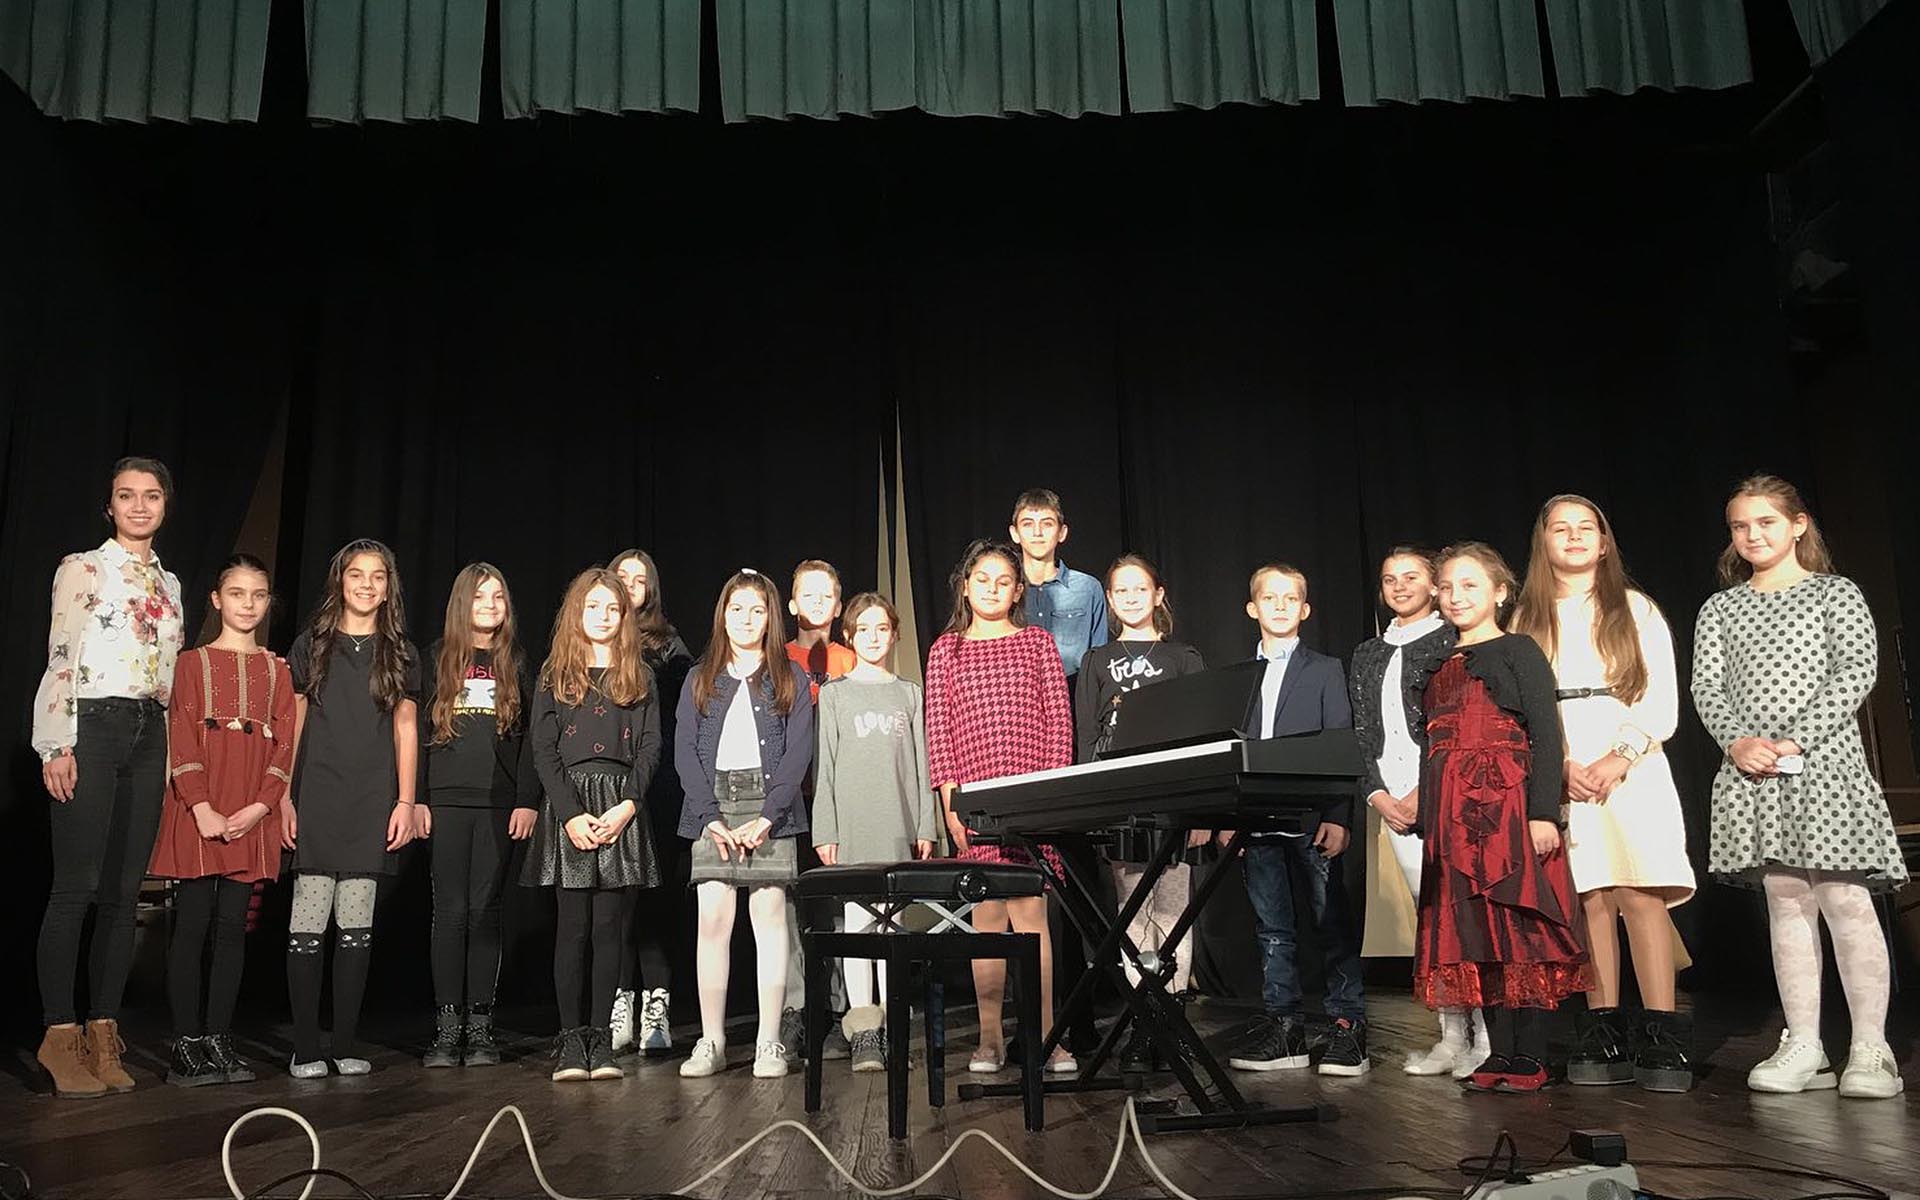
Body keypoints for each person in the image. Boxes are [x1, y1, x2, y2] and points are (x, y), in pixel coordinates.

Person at [1692, 476, 1906, 1100]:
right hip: (1754, 770)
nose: (1752, 534)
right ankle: (1805, 1044)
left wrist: (1796, 740)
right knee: (1786, 899)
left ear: (1797, 524)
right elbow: (1708, 686)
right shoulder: (1721, 608)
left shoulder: (1835, 592)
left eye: (1765, 522)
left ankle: (1871, 1048)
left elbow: (1856, 670)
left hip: (1824, 765)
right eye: (1740, 526)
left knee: (1844, 899)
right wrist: (1737, 742)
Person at [1512, 496, 1697, 1092]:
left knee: (1639, 890)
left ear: (1604, 541)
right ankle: (1603, 1028)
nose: (1573, 537)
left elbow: (1660, 695)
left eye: (1585, 527)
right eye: (1560, 529)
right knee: (1590, 896)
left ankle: (1662, 1033)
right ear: (1543, 542)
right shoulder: (1525, 618)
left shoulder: (1634, 608)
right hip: (1563, 764)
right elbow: (1519, 708)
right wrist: (1558, 766)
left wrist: (1620, 754)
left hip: (1632, 761)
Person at [33, 457, 187, 1097]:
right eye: (127, 496)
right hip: (91, 724)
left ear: (165, 505)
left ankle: (103, 1033)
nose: (140, 506)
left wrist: (170, 754)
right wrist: (55, 743)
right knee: (77, 888)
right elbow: (61, 653)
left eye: (151, 496)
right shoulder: (83, 567)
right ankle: (58, 1036)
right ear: (110, 506)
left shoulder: (170, 583)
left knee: (125, 894)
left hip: (149, 731)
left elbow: (169, 672)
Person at [1414, 543, 1590, 1094]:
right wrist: (1429, 819)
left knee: (1517, 927)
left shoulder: (1518, 650)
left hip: (1505, 804)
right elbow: (1430, 748)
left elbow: (1546, 735)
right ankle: (1498, 1051)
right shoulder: (1436, 661)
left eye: (1469, 585)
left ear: (1499, 592)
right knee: (1473, 931)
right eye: (1446, 587)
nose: (1456, 596)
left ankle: (1531, 1054)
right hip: (1452, 813)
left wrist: (1543, 814)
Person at [925, 539, 1079, 1075]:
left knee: (1031, 918)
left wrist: (1050, 795)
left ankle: (1046, 1037)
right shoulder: (946, 650)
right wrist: (952, 803)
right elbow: (939, 732)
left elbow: (1059, 724)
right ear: (965, 586)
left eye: (1003, 581)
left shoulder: (1037, 643)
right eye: (982, 579)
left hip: (1031, 796)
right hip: (976, 799)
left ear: (1017, 592)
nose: (992, 589)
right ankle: (990, 1038)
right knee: (988, 917)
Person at [149, 554, 291, 1088]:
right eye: (237, 593)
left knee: (233, 929)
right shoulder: (190, 664)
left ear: (268, 601)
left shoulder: (278, 670)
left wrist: (261, 806)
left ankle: (218, 1036)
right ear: (216, 599)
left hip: (250, 810)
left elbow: (284, 745)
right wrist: (201, 805)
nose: (248, 604)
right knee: (191, 926)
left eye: (258, 595)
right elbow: (181, 734)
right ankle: (186, 1041)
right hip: (201, 809)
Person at [283, 539, 422, 1078]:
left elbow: (405, 728)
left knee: (356, 926)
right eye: (356, 574)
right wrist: (283, 795)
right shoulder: (312, 644)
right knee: (308, 922)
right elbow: (294, 722)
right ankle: (305, 1047)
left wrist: (405, 800)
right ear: (340, 581)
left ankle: (343, 1043)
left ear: (389, 588)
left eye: (377, 576)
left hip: (371, 798)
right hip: (317, 792)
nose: (366, 584)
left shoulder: (401, 653)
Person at [520, 568, 662, 1083]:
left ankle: (601, 1039)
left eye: (612, 609)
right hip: (572, 806)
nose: (603, 617)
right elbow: (543, 749)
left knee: (609, 929)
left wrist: (629, 805)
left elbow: (650, 746)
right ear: (576, 613)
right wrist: (569, 813)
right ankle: (570, 1039)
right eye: (593, 607)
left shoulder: (639, 675)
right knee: (573, 928)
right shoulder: (556, 674)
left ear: (625, 617)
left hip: (619, 805)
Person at [1224, 564, 1365, 1077]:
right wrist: (1228, 817)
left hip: (1310, 817)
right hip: (1256, 818)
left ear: (1305, 610)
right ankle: (1285, 1029)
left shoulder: (1325, 669)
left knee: (1331, 923)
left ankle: (1349, 1026)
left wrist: (1338, 815)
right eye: (1270, 597)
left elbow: (1339, 742)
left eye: (1290, 598)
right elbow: (1229, 746)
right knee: (1272, 930)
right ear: (1252, 608)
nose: (1280, 606)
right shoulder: (1238, 676)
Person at [675, 570, 815, 1079]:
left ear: (771, 617)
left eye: (757, 610)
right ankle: (711, 1040)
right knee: (712, 920)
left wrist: (768, 815)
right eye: (737, 609)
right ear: (723, 615)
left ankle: (769, 1041)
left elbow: (798, 751)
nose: (747, 619)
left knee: (770, 919)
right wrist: (709, 817)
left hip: (769, 806)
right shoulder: (700, 677)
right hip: (713, 804)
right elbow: (685, 751)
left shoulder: (790, 675)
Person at [1072, 555, 1205, 1073]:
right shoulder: (1096, 662)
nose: (1130, 598)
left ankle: (1173, 1019)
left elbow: (1202, 735)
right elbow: (1087, 740)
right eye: (1121, 591)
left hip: (1171, 802)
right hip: (1120, 805)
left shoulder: (1183, 658)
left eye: (1140, 589)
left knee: (1172, 910)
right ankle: (1142, 1020)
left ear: (1158, 595)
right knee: (1132, 912)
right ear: (1109, 599)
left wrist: (1200, 808)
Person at [1347, 547, 1473, 1077]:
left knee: (1464, 913)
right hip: (1392, 799)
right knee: (1432, 916)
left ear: (1433, 583)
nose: (1399, 586)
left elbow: (1455, 722)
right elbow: (1361, 731)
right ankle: (1451, 1034)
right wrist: (1376, 794)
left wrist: (1426, 789)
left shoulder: (1451, 639)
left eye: (1411, 576)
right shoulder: (1369, 652)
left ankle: (1486, 1035)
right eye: (1389, 579)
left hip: (1445, 790)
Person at [418, 563, 538, 1069]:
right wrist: (417, 798)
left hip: (498, 803)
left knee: (486, 911)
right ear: (461, 603)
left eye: (498, 597)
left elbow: (532, 737)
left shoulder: (517, 662)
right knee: (450, 911)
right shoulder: (435, 658)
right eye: (480, 596)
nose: (490, 605)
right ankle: (448, 1029)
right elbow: (416, 732)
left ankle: (481, 1026)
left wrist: (527, 799)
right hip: (445, 801)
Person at [812, 593, 936, 1072]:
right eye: (863, 629)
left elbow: (921, 766)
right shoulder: (836, 695)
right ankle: (864, 1028)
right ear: (849, 635)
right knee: (858, 922)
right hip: (852, 826)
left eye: (882, 628)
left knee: (892, 924)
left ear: (894, 634)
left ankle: (893, 1024)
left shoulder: (909, 693)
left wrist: (925, 823)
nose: (873, 637)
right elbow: (825, 768)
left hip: (897, 824)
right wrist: (826, 828)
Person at [1007, 489, 1110, 1052]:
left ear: (1062, 531)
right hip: (1020, 725)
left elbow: (1097, 666)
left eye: (1047, 523)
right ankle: (1029, 1018)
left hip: (1073, 718)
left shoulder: (1087, 589)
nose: (1038, 532)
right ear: (1015, 531)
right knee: (1023, 875)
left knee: (1075, 876)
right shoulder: (1007, 587)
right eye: (1028, 523)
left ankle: (1081, 1016)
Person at [606, 549, 695, 1057]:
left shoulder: (669, 647)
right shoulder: (593, 640)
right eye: (622, 576)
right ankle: (619, 1002)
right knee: (616, 901)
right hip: (606, 784)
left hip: (658, 787)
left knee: (656, 900)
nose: (630, 585)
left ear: (651, 590)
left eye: (639, 579)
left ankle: (656, 1008)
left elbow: (681, 723)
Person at [777, 559, 858, 1064]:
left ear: (839, 605)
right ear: (792, 604)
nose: (817, 603)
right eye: (807, 594)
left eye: (826, 595)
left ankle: (843, 1012)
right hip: (791, 802)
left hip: (841, 800)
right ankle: (796, 1010)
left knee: (841, 907)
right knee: (790, 906)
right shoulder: (776, 657)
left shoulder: (851, 658)